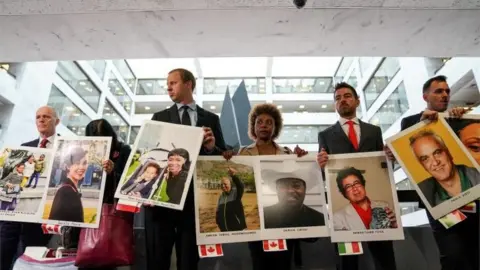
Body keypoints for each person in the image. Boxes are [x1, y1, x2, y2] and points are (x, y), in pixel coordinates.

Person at [144, 68, 226, 270]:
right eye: (168, 83)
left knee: (189, 261)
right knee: (158, 258)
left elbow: (220, 157)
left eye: (173, 83)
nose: (168, 87)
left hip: (194, 202)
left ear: (188, 84)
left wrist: (210, 148)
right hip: (162, 200)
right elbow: (148, 155)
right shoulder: (159, 117)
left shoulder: (211, 119)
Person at [400, 75, 478, 270]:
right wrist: (423, 121)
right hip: (443, 208)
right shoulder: (411, 122)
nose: (444, 95)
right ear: (425, 96)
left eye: (447, 91)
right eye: (438, 91)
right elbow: (403, 143)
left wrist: (458, 118)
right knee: (452, 253)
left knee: (474, 252)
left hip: (474, 202)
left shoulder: (456, 119)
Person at [316, 82, 397, 270]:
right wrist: (320, 165)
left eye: (347, 96)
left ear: (357, 101)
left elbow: (381, 166)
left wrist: (390, 158)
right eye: (337, 98)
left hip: (375, 205)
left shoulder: (374, 131)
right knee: (347, 261)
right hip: (343, 208)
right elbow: (324, 175)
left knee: (384, 258)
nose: (342, 100)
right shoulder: (325, 135)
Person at [223, 103, 308, 270]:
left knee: (283, 263)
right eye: (259, 121)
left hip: (283, 217)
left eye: (269, 122)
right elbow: (236, 183)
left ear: (275, 127)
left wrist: (303, 159)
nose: (264, 125)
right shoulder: (242, 153)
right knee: (259, 262)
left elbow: (298, 176)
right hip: (255, 219)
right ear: (253, 126)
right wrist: (227, 159)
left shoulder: (287, 153)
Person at [0, 106, 59, 270]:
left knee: (30, 258)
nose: (41, 120)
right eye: (38, 117)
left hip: (41, 215)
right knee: (4, 251)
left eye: (46, 117)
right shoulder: (25, 147)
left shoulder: (65, 147)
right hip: (14, 211)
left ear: (57, 121)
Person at [409, 130, 480, 207]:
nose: (435, 163)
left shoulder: (477, 174)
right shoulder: (423, 192)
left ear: (448, 153)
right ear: (423, 165)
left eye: (437, 153)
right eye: (425, 158)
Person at [333, 167, 397, 231]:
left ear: (363, 185)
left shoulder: (385, 206)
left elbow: (395, 236)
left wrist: (395, 226)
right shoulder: (338, 218)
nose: (355, 189)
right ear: (345, 193)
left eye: (356, 183)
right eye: (348, 186)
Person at [48, 146, 87, 223]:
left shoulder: (70, 188)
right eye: (77, 163)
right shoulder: (66, 191)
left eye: (84, 163)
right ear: (68, 166)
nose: (82, 167)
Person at [216, 167, 247, 232]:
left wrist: (234, 176)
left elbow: (240, 186)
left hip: (238, 230)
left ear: (230, 184)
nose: (223, 186)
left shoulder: (235, 193)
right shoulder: (221, 196)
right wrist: (219, 222)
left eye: (225, 184)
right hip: (224, 230)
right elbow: (218, 211)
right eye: (221, 184)